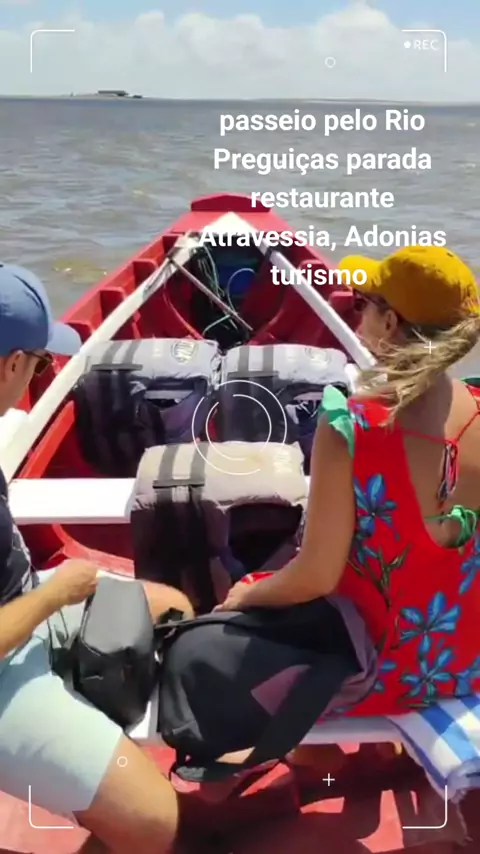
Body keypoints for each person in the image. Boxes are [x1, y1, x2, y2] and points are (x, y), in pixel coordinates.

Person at [216, 245, 480, 717]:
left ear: (390, 323)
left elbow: (317, 575)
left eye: (363, 304)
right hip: (465, 662)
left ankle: (308, 751)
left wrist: (246, 594)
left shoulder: (351, 425)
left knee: (243, 611)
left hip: (375, 671)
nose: (357, 316)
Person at [0, 264, 194, 854]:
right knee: (153, 822)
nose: (39, 377)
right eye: (41, 365)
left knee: (173, 607)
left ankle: (87, 738)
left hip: (23, 604)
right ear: (12, 365)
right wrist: (56, 595)